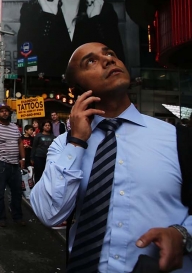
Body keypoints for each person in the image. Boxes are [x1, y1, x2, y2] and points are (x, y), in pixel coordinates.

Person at [31, 42, 192, 272]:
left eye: (110, 53)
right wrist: (76, 143)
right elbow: (49, 213)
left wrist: (183, 235)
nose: (108, 59)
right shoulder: (64, 145)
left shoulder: (178, 138)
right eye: (91, 61)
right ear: (77, 89)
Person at [0, 103, 26, 228]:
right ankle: (1, 217)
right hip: (1, 164)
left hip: (15, 164)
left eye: (6, 111)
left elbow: (20, 143)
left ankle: (17, 216)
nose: (4, 113)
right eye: (2, 111)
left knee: (17, 192)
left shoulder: (15, 127)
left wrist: (22, 158)